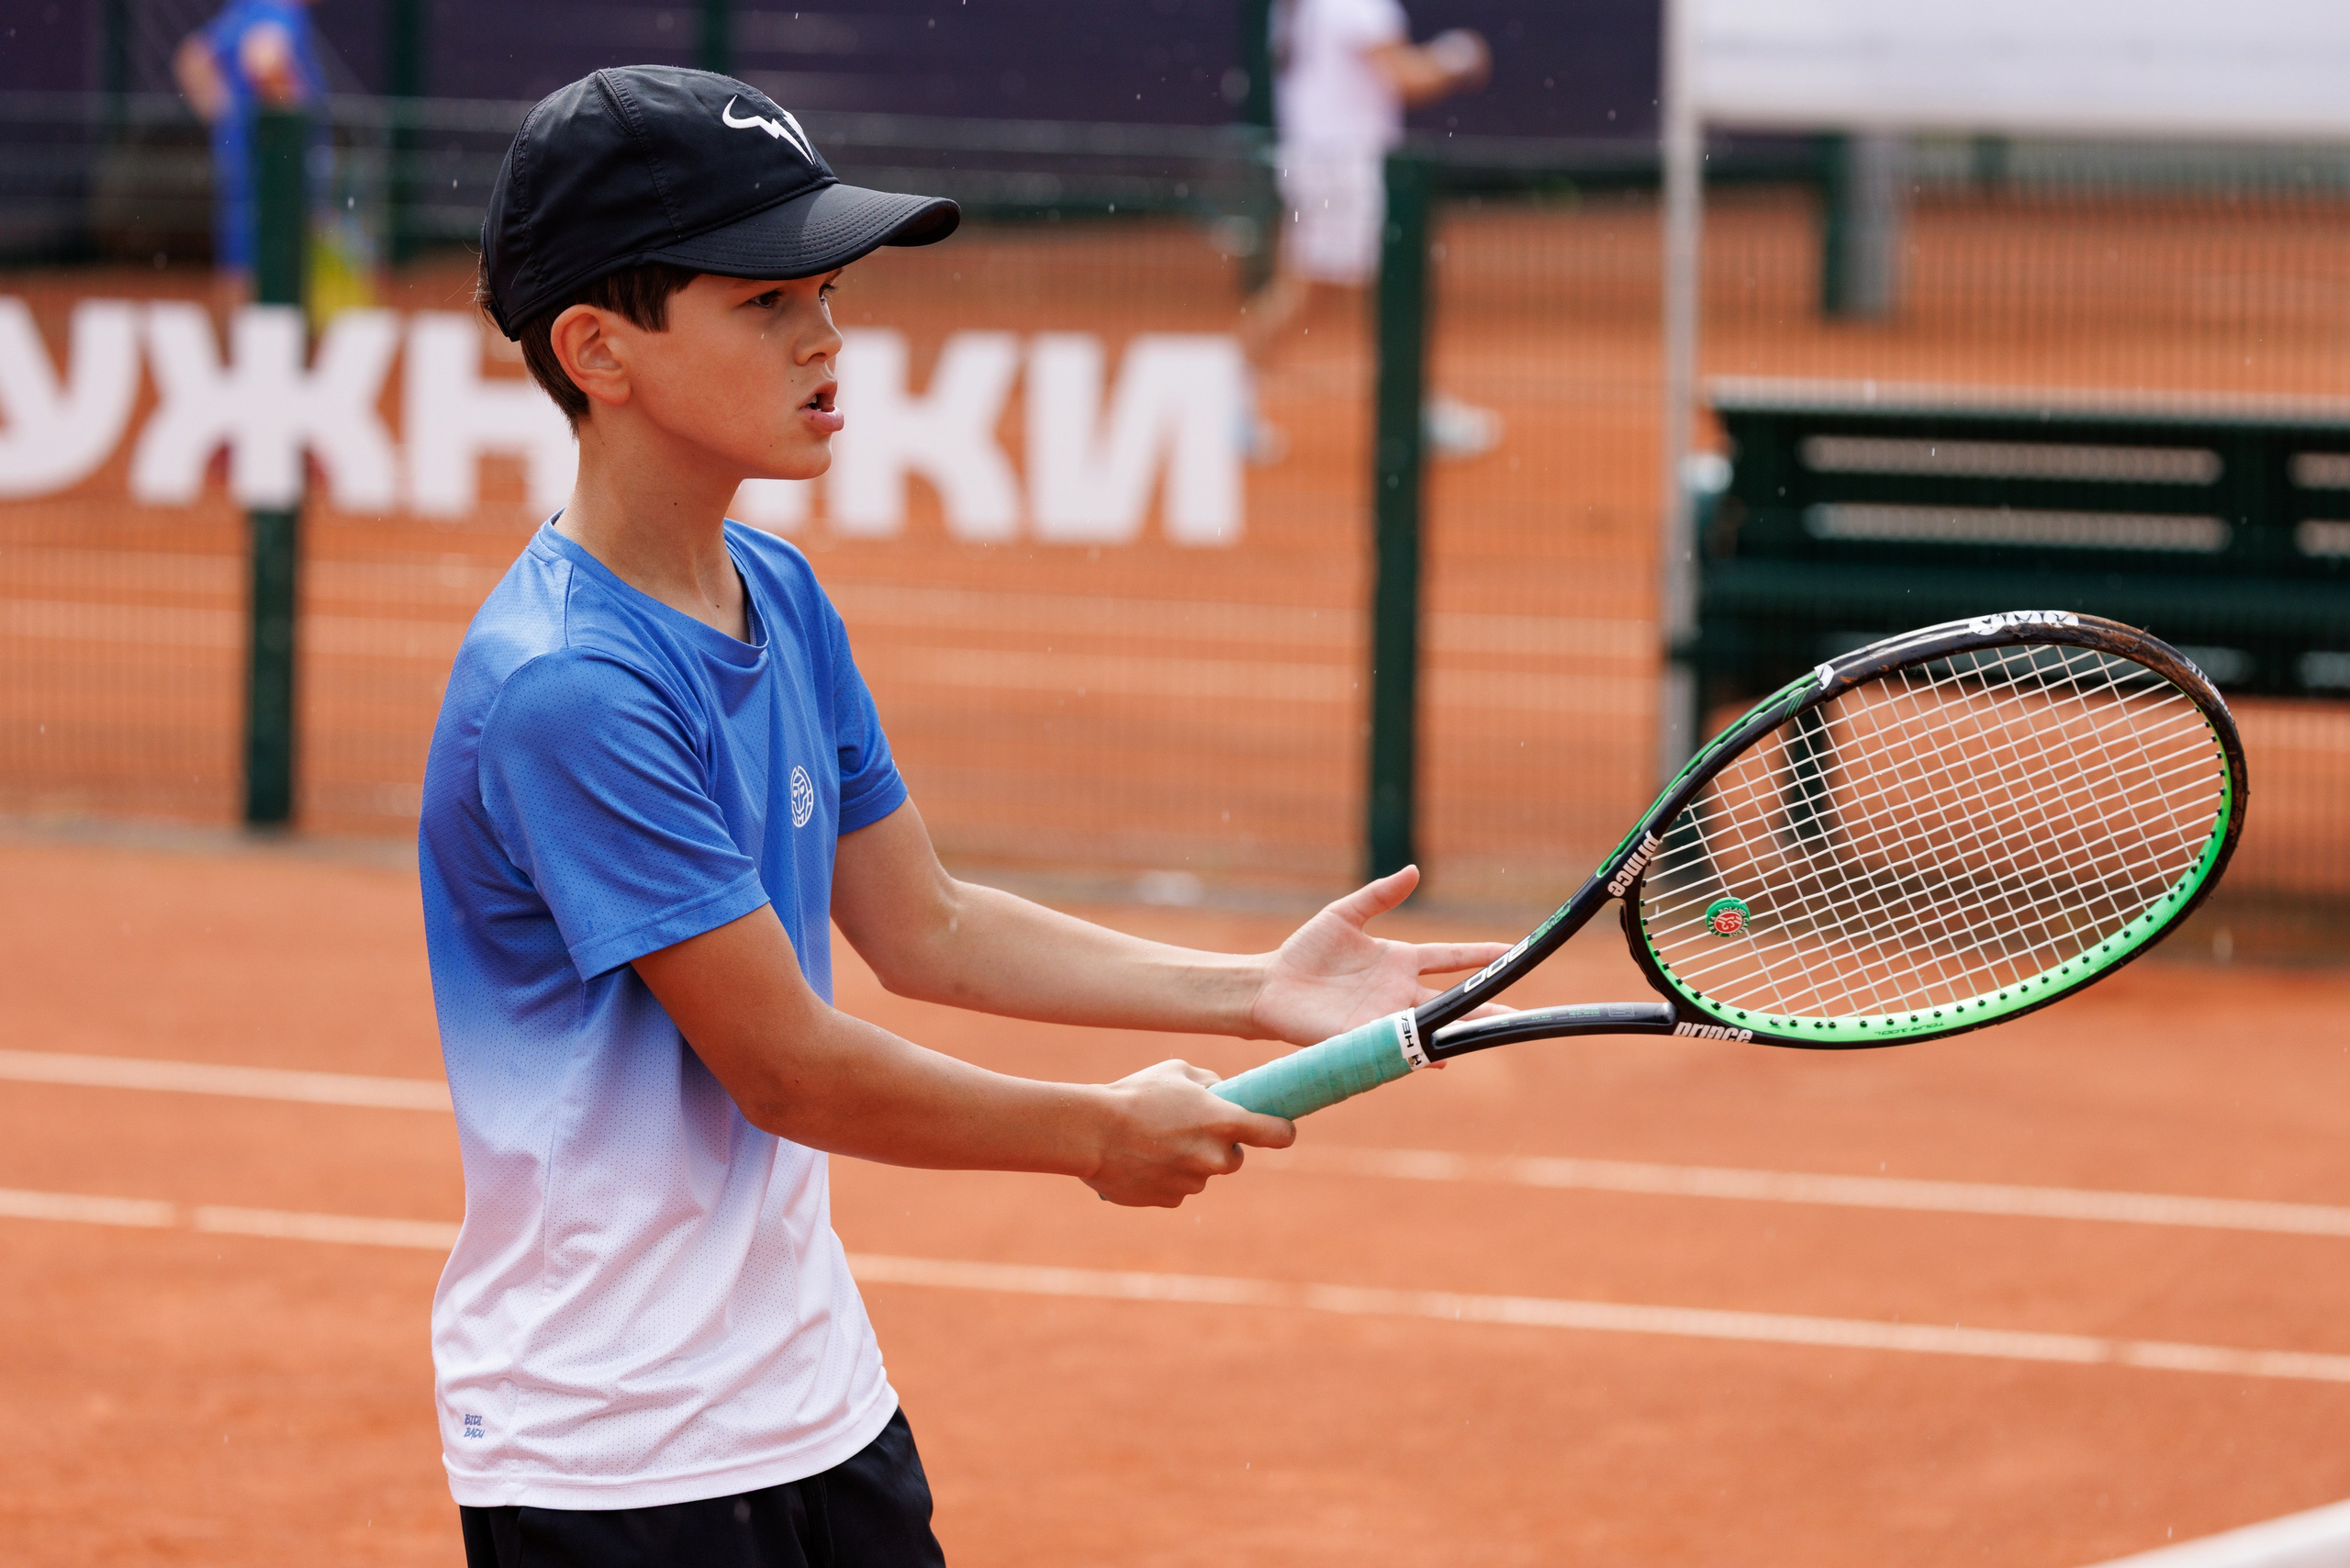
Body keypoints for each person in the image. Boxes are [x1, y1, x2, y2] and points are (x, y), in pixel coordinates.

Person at [424, 65, 1507, 1567]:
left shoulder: (779, 594)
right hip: (612, 1460)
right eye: (766, 302)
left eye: (827, 290)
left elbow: (922, 923)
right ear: (598, 349)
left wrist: (1249, 987)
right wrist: (1094, 1134)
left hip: (812, 1395)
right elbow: (790, 1070)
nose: (826, 336)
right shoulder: (570, 689)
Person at [1241, 0, 1496, 462]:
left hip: (1315, 163)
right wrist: (1457, 57)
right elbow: (1405, 77)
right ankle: (1411, 414)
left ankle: (1226, 400)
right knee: (1395, 291)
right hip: (1348, 173)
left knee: (1307, 292)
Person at [171, 0, 326, 283]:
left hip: (242, 175)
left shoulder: (245, 9)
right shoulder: (279, 12)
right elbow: (264, 60)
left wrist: (229, 119)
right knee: (273, 283)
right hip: (275, 183)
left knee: (238, 271)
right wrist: (287, 128)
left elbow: (192, 59)